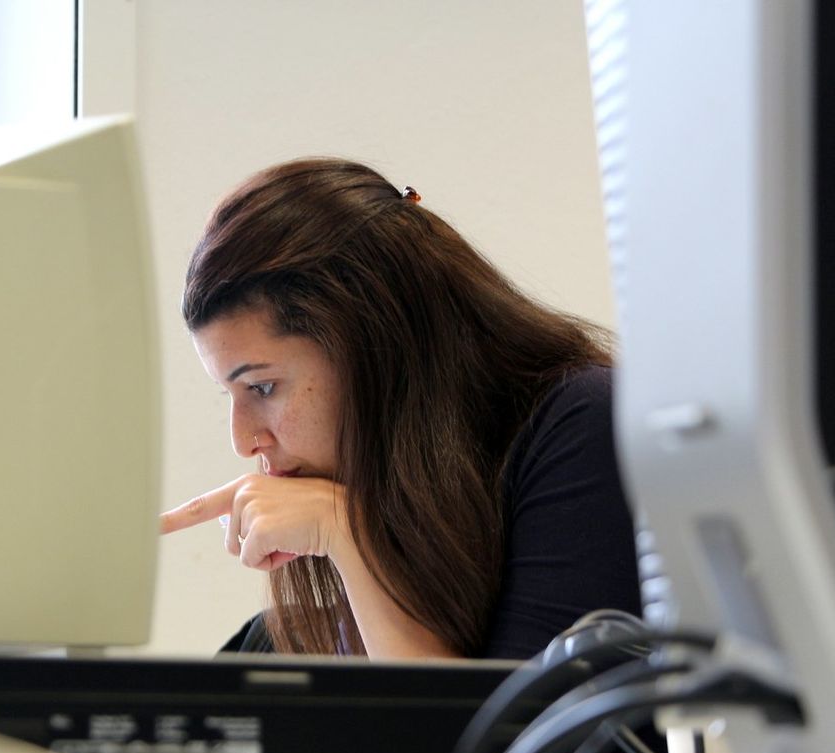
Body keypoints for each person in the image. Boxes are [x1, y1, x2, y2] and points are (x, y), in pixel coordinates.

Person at [159, 158, 642, 661]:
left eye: (262, 388)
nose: (243, 441)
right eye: (229, 396)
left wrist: (346, 537)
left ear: (371, 344)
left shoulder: (586, 425)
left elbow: (499, 739)